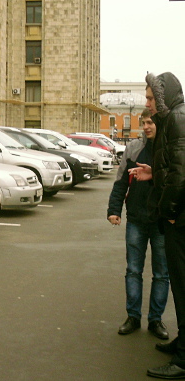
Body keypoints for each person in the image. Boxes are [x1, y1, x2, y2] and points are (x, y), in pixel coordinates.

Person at [130, 72, 185, 379]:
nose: (148, 104)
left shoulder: (177, 119)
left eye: (150, 98)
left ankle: (184, 359)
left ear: (163, 96)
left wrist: (172, 212)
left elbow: (181, 172)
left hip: (180, 218)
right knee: (178, 285)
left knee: (182, 285)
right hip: (178, 216)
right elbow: (171, 167)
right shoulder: (174, 118)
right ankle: (182, 344)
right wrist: (154, 173)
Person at [107, 108, 169, 340]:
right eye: (144, 122)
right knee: (133, 271)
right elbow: (121, 182)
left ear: (159, 124)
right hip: (136, 219)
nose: (146, 126)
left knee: (162, 274)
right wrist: (114, 210)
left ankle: (156, 320)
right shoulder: (133, 149)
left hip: (162, 221)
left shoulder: (169, 150)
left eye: (151, 122)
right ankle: (133, 316)